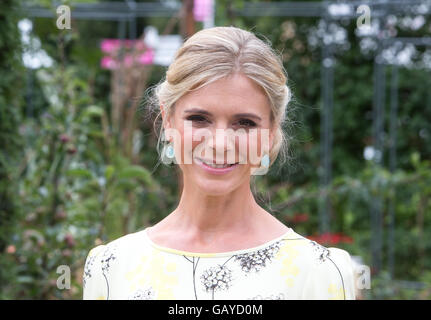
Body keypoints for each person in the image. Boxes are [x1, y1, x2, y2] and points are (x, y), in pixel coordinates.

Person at [83, 26, 356, 300]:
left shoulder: (318, 272)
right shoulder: (112, 268)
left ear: (271, 132)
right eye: (199, 118)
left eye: (245, 123)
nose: (220, 143)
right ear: (168, 120)